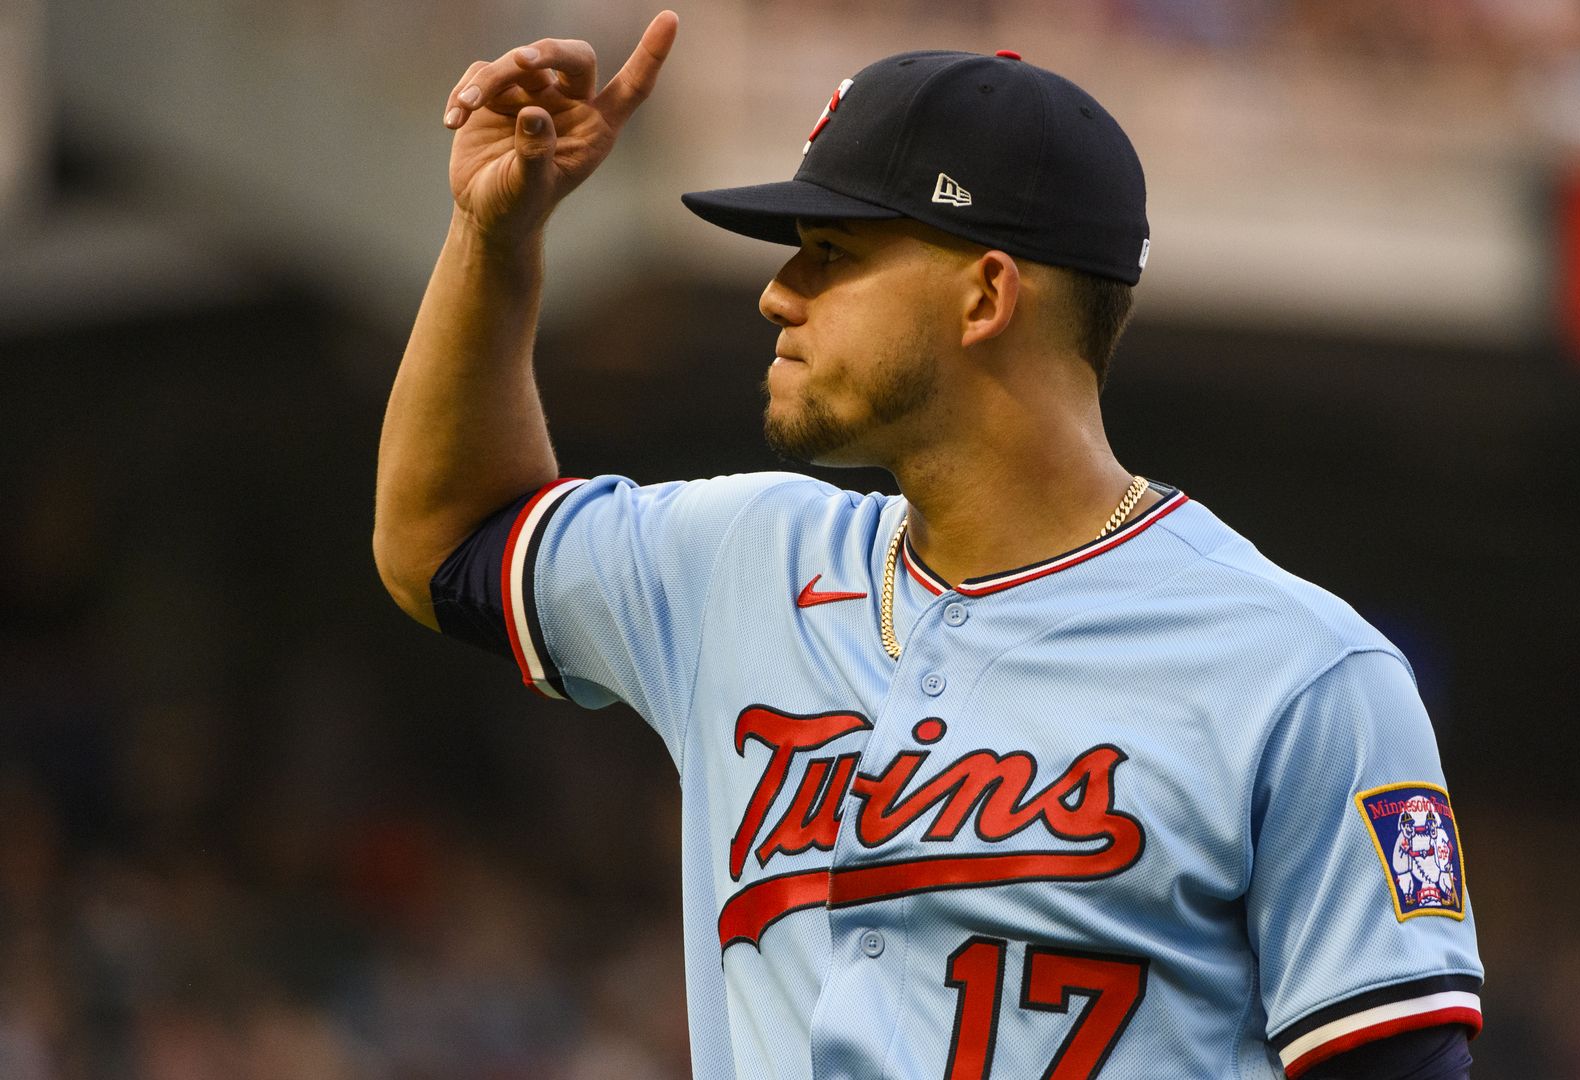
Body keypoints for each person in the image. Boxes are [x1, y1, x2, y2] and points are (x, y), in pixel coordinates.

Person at [373, 11, 1484, 1079]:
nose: (776, 293)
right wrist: (493, 239)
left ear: (986, 292)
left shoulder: (1299, 673)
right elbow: (444, 541)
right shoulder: (738, 562)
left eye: (828, 252)